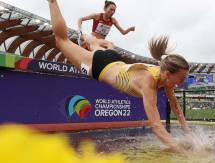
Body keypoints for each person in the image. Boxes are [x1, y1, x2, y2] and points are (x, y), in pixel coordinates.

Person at [47, 0, 192, 153]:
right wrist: (184, 152)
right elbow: (156, 126)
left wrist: (190, 134)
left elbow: (176, 107)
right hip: (100, 66)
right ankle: (52, 2)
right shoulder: (148, 82)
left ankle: (89, 40)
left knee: (95, 44)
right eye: (181, 79)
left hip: (113, 57)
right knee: (61, 40)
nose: (181, 83)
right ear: (168, 74)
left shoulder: (164, 74)